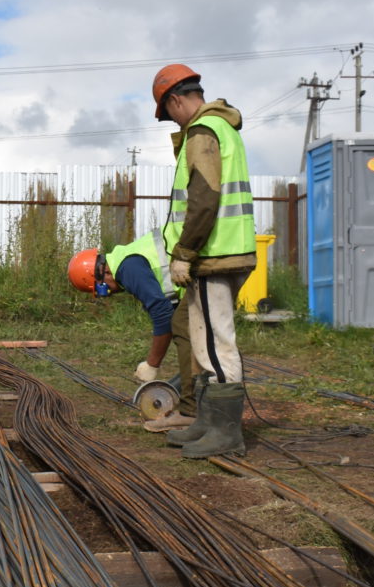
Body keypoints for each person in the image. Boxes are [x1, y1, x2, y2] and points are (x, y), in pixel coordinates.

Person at [151, 63, 257, 458]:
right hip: (217, 255)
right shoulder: (220, 129)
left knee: (217, 344)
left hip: (215, 255)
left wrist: (184, 253)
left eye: (168, 113)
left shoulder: (204, 131)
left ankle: (226, 433)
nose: (171, 121)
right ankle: (208, 423)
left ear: (176, 100)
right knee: (203, 340)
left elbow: (204, 197)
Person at [67, 229, 194, 432]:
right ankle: (190, 398)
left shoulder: (127, 268)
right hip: (196, 270)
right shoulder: (125, 260)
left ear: (103, 272)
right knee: (187, 331)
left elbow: (162, 314)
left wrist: (152, 364)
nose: (109, 293)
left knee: (186, 333)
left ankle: (194, 411)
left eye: (103, 289)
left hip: (203, 264)